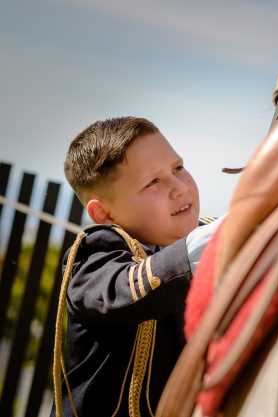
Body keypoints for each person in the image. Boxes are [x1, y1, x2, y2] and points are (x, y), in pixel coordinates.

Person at [52, 116, 220, 417]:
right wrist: (221, 237)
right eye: (152, 182)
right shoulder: (93, 255)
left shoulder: (205, 241)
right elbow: (123, 289)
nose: (180, 187)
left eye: (178, 167)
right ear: (103, 212)